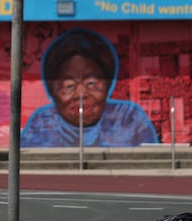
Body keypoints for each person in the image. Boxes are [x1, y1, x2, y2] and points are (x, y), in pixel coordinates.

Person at [21, 28, 158, 147]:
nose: (81, 94)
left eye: (91, 83)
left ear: (107, 87)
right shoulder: (43, 122)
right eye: (69, 86)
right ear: (52, 92)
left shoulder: (128, 118)